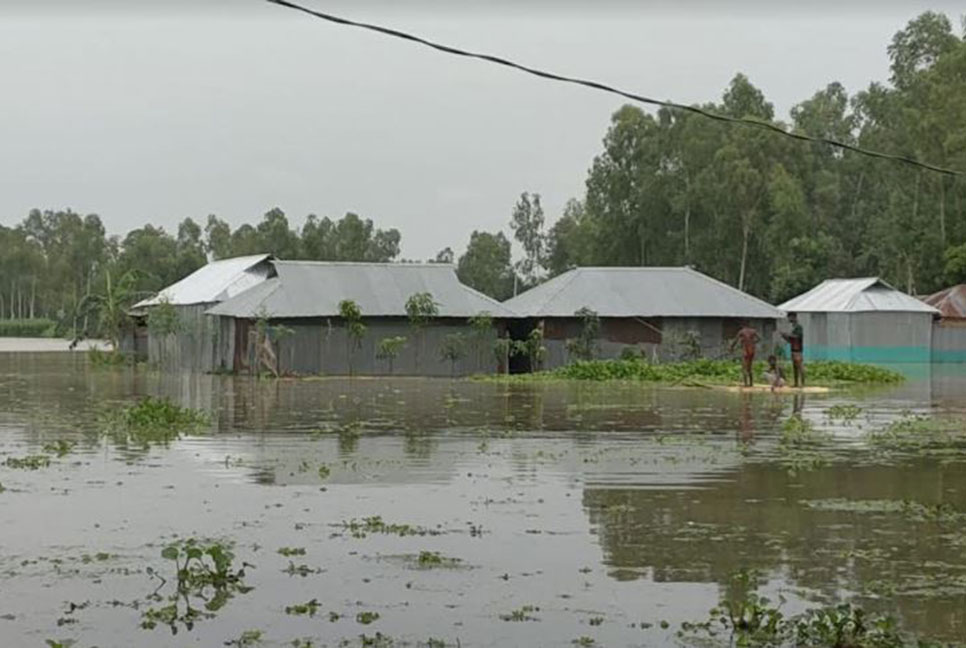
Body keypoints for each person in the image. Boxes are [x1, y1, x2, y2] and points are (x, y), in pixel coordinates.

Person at [731, 321, 761, 387]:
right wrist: (753, 342)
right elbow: (759, 339)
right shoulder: (753, 331)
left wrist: (731, 348)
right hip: (752, 350)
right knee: (749, 367)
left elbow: (735, 340)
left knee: (744, 367)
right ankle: (751, 383)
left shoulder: (741, 331)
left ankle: (746, 384)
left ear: (743, 325)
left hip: (745, 350)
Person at [781, 312, 805, 387]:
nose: (789, 319)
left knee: (800, 366)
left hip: (798, 350)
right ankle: (796, 383)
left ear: (794, 317)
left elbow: (797, 337)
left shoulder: (799, 327)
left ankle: (802, 384)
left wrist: (788, 335)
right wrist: (784, 336)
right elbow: (791, 340)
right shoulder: (794, 328)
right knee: (794, 367)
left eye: (790, 317)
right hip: (793, 349)